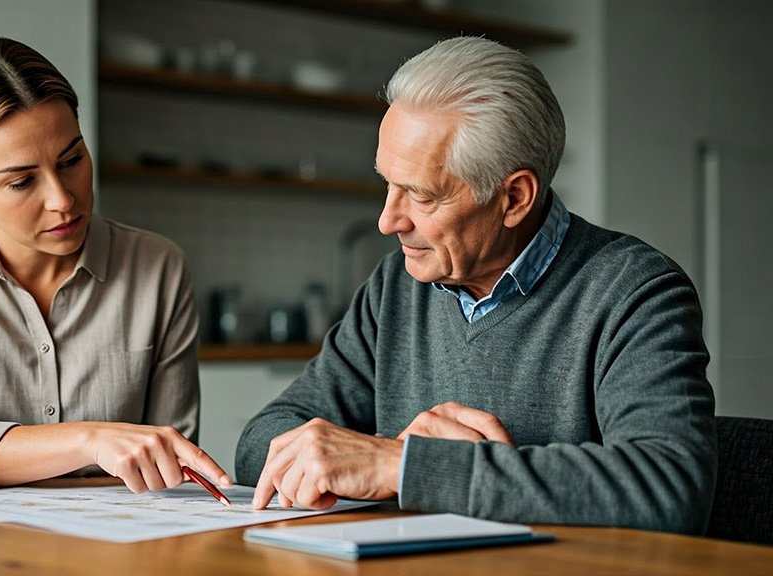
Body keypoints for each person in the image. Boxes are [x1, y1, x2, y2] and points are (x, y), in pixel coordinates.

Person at [235, 36, 716, 534]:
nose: (386, 221)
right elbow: (262, 444)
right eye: (387, 184)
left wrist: (402, 466)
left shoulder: (636, 291)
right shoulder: (395, 287)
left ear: (514, 198)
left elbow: (670, 488)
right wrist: (387, 455)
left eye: (420, 196)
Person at [0, 37, 230, 492]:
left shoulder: (159, 267)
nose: (63, 199)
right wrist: (88, 440)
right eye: (22, 182)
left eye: (72, 160)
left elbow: (165, 460)